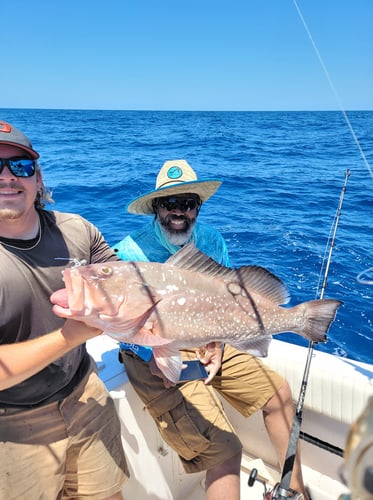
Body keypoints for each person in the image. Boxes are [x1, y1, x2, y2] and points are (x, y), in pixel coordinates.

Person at [113, 159, 310, 500]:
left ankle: (295, 491)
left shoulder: (211, 240)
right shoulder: (128, 252)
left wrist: (217, 345)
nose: (179, 212)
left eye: (188, 204)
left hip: (205, 339)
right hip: (150, 352)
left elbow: (227, 303)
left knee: (278, 394)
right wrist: (156, 354)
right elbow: (118, 321)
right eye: (169, 203)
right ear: (155, 208)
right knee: (223, 448)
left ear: (198, 207)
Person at [0, 120, 129, 500]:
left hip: (85, 394)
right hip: (14, 425)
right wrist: (69, 337)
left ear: (38, 179)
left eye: (20, 166)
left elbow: (125, 280)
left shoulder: (77, 230)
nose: (8, 177)